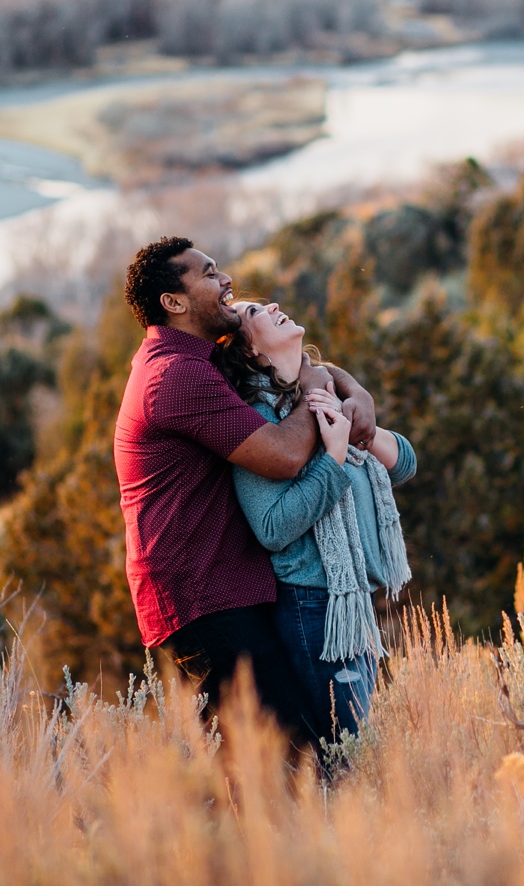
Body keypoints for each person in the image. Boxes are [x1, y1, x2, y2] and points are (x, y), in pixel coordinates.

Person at [113, 236, 377, 746]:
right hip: (200, 595)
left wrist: (347, 385)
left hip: (225, 585)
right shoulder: (175, 376)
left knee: (280, 750)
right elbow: (283, 456)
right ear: (174, 303)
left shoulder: (192, 359)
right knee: (277, 757)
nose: (227, 280)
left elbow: (273, 365)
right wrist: (320, 389)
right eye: (210, 274)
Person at [217, 298, 416, 745]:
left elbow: (403, 465)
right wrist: (336, 456)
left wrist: (360, 423)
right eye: (254, 313)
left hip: (352, 602)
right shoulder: (260, 421)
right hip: (315, 608)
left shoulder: (327, 394)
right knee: (350, 756)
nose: (271, 304)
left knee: (359, 750)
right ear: (250, 352)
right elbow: (273, 527)